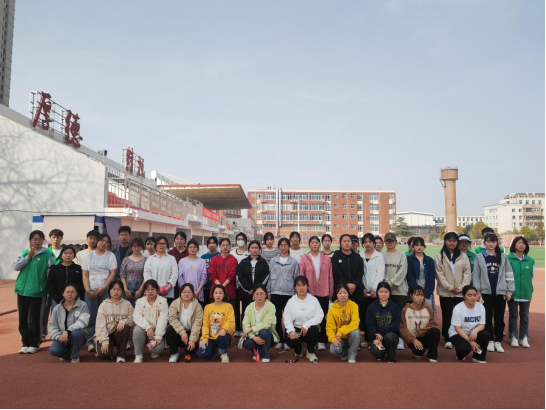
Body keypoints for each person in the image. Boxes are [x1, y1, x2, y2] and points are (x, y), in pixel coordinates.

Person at [14, 231, 55, 354]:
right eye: (34, 239)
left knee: (35, 319)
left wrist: (46, 288)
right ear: (30, 240)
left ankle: (34, 343)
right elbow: (15, 267)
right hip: (22, 291)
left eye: (40, 239)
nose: (37, 241)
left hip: (38, 292)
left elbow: (50, 274)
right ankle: (25, 342)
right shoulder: (24, 253)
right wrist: (27, 257)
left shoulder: (47, 254)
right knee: (23, 319)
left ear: (43, 240)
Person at [474, 233, 515, 354]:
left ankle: (498, 341)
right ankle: (490, 340)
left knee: (499, 318)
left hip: (500, 293)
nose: (491, 244)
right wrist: (478, 291)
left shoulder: (503, 257)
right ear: (484, 243)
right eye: (488, 241)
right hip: (485, 293)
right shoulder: (479, 257)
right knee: (486, 318)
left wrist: (509, 291)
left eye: (493, 242)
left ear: (497, 243)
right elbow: (476, 276)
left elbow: (509, 274)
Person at [435, 232, 471, 350]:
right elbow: (439, 274)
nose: (452, 243)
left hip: (460, 292)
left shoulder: (463, 256)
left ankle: (459, 336)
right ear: (445, 241)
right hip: (445, 291)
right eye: (449, 240)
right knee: (447, 315)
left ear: (457, 242)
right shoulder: (439, 256)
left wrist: (461, 288)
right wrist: (450, 287)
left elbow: (467, 273)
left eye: (454, 241)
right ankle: (448, 338)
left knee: (459, 315)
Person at [81, 234, 118, 352]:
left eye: (107, 242)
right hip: (90, 289)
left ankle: (103, 339)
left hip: (105, 289)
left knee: (106, 315)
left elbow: (112, 273)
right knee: (91, 316)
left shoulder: (110, 256)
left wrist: (104, 287)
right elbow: (85, 274)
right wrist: (87, 290)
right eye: (102, 241)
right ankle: (90, 341)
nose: (104, 243)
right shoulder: (88, 256)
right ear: (97, 241)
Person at [299, 236, 334, 351]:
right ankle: (311, 340)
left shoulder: (326, 258)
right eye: (312, 242)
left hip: (323, 291)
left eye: (316, 242)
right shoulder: (304, 258)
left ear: (320, 244)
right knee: (309, 316)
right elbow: (301, 276)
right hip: (310, 292)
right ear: (309, 244)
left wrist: (330, 291)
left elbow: (330, 276)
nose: (314, 244)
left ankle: (321, 340)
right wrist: (303, 291)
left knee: (322, 316)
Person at [283, 276, 324, 363]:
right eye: (298, 285)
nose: (301, 288)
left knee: (315, 330)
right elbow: (287, 318)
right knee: (289, 340)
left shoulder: (313, 300)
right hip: (296, 330)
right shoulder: (291, 301)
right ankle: (298, 348)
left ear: (307, 286)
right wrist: (291, 331)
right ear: (295, 287)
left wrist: (306, 325)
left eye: (303, 285)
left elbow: (320, 315)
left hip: (309, 329)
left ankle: (310, 352)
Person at [268, 237, 299, 351]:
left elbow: (296, 278)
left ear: (288, 246)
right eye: (281, 245)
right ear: (278, 247)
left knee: (288, 318)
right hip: (275, 292)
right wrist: (269, 292)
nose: (283, 247)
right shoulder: (273, 261)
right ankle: (279, 340)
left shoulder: (293, 262)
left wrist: (295, 293)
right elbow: (269, 277)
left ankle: (287, 340)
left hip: (289, 293)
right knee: (276, 317)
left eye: (285, 245)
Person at [94, 280, 135, 363]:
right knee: (103, 355)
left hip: (118, 334)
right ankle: (109, 351)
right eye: (113, 289)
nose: (116, 292)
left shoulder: (127, 304)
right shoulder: (103, 305)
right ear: (109, 291)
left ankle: (121, 355)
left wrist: (124, 321)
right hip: (106, 334)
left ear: (122, 291)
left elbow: (134, 319)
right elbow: (100, 325)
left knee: (125, 328)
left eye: (119, 289)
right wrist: (104, 340)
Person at [48, 284, 90, 363]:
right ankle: (68, 354)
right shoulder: (57, 308)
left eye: (73, 292)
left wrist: (68, 331)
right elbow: (53, 327)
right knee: (53, 350)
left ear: (76, 293)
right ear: (63, 294)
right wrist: (58, 337)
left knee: (76, 333)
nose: (70, 294)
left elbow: (83, 322)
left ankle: (75, 357)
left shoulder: (83, 305)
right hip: (63, 337)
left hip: (79, 335)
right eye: (67, 292)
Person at [449, 285, 490, 364]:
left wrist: (475, 331)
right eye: (469, 295)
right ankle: (458, 351)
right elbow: (457, 328)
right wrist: (471, 342)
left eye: (474, 295)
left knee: (486, 334)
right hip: (457, 333)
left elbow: (482, 325)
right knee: (465, 349)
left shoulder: (481, 307)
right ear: (463, 296)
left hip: (472, 332)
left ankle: (478, 357)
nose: (473, 298)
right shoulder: (458, 308)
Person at [400, 285, 441, 363]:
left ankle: (432, 356)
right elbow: (403, 328)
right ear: (411, 296)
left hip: (425, 336)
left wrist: (417, 333)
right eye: (417, 295)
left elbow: (434, 324)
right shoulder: (405, 310)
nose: (420, 298)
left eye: (422, 295)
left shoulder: (429, 309)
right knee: (419, 352)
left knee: (435, 331)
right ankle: (417, 351)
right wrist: (413, 339)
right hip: (412, 338)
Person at [507, 236, 535, 349]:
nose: (521, 245)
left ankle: (524, 338)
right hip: (513, 293)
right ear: (514, 245)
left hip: (526, 292)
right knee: (513, 315)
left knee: (524, 316)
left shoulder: (530, 260)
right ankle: (514, 337)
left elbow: (531, 276)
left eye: (523, 243)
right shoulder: (508, 259)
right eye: (519, 242)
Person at [382, 233, 408, 350]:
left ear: (396, 242)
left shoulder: (402, 255)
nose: (390, 243)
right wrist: (388, 283)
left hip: (400, 290)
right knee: (387, 315)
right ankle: (387, 338)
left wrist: (392, 283)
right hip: (385, 291)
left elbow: (402, 271)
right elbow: (381, 270)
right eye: (387, 241)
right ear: (385, 242)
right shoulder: (381, 255)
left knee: (399, 316)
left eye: (391, 241)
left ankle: (400, 338)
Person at [133, 280, 169, 363]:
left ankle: (153, 350)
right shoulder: (139, 302)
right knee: (137, 330)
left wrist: (158, 336)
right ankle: (138, 355)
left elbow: (163, 320)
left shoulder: (163, 302)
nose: (150, 291)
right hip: (144, 329)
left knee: (157, 349)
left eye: (153, 289)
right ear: (144, 291)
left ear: (157, 290)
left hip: (156, 330)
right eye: (147, 289)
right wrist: (147, 327)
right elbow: (137, 317)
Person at [167, 283, 204, 363]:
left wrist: (192, 340)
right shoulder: (175, 303)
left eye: (189, 292)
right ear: (180, 293)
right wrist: (182, 332)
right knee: (170, 330)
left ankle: (186, 350)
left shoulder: (198, 306)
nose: (186, 294)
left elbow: (198, 324)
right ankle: (174, 353)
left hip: (191, 332)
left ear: (193, 293)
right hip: (179, 332)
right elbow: (172, 319)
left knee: (191, 349)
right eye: (184, 292)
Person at [242, 285, 279, 363]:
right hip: (254, 335)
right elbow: (245, 324)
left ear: (266, 295)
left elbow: (267, 324)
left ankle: (265, 355)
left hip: (267, 336)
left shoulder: (271, 306)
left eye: (262, 294)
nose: (259, 296)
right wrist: (253, 337)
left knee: (263, 332)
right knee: (247, 344)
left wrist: (251, 329)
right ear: (253, 295)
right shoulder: (249, 307)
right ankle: (256, 351)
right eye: (257, 294)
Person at [198, 285, 236, 363]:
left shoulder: (228, 306)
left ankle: (223, 353)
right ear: (213, 295)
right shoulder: (207, 307)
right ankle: (216, 353)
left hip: (222, 336)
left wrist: (224, 329)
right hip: (210, 337)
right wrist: (204, 338)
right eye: (216, 293)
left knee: (223, 338)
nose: (218, 295)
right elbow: (205, 324)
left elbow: (230, 321)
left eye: (220, 293)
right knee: (201, 354)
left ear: (224, 295)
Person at [360, 233, 385, 347]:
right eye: (365, 242)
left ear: (374, 243)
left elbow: (380, 273)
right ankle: (364, 338)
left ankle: (373, 339)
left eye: (370, 242)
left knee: (374, 316)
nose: (368, 244)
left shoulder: (379, 256)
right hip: (363, 292)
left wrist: (375, 289)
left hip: (375, 292)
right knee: (363, 315)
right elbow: (359, 274)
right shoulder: (359, 255)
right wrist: (362, 288)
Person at [366, 282, 402, 363]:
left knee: (390, 337)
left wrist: (381, 332)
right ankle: (381, 354)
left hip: (390, 336)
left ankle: (391, 354)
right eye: (381, 292)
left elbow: (396, 325)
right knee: (378, 353)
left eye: (386, 292)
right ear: (377, 292)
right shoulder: (371, 307)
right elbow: (370, 324)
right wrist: (375, 338)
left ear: (389, 293)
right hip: (376, 337)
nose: (383, 294)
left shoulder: (395, 307)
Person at [238, 240, 270, 325]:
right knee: (246, 312)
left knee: (259, 313)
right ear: (249, 249)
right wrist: (248, 289)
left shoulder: (263, 262)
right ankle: (245, 329)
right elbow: (240, 276)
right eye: (252, 248)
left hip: (259, 293)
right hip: (246, 293)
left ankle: (259, 329)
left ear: (259, 249)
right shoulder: (243, 262)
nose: (254, 250)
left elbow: (266, 275)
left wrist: (257, 289)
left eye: (256, 248)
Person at [327, 285, 361, 363]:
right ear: (336, 295)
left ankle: (352, 356)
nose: (342, 295)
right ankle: (345, 353)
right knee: (333, 349)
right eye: (340, 293)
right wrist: (333, 339)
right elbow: (329, 328)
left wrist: (340, 331)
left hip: (352, 337)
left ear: (348, 294)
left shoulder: (354, 305)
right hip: (339, 338)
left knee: (356, 332)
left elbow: (355, 323)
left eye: (345, 293)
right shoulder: (332, 309)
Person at [41, 229, 64, 341]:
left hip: (59, 288)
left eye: (58, 237)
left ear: (61, 238)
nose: (56, 239)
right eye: (53, 237)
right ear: (50, 238)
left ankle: (56, 333)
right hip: (45, 287)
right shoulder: (45, 252)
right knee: (44, 311)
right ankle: (42, 333)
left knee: (57, 311)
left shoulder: (65, 252)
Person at [47, 245, 85, 310]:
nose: (68, 255)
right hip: (57, 298)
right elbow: (50, 284)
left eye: (70, 253)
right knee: (57, 314)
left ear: (74, 255)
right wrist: (57, 297)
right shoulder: (55, 268)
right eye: (65, 253)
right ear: (61, 256)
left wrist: (76, 295)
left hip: (74, 298)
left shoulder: (78, 268)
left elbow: (80, 283)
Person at [143, 236, 178, 305]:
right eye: (159, 243)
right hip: (152, 292)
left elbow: (175, 274)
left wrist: (168, 288)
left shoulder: (171, 259)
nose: (161, 245)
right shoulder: (150, 259)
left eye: (164, 243)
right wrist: (153, 288)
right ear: (155, 245)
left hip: (167, 293)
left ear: (167, 245)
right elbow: (146, 274)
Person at [407, 237, 437, 314]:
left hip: (427, 289)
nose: (419, 247)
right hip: (414, 288)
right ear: (413, 246)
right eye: (417, 245)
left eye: (421, 245)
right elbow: (409, 276)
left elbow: (431, 277)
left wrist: (425, 295)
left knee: (427, 313)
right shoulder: (409, 259)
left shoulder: (429, 260)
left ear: (424, 246)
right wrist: (415, 292)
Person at [178, 239, 208, 307]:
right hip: (185, 294)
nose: (192, 249)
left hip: (198, 293)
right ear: (187, 248)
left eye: (194, 247)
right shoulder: (182, 261)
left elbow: (204, 278)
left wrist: (198, 291)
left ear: (197, 249)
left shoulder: (202, 261)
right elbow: (180, 278)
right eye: (190, 247)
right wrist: (186, 291)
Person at [120, 238, 147, 308]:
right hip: (128, 286)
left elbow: (146, 276)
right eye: (134, 246)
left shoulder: (146, 260)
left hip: (140, 286)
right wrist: (125, 289)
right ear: (131, 247)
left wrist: (140, 290)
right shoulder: (126, 260)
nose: (136, 248)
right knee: (127, 308)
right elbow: (122, 275)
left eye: (138, 246)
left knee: (139, 308)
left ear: (141, 247)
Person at [201, 236, 221, 306]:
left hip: (217, 286)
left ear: (217, 244)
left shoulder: (220, 256)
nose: (211, 245)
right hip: (205, 287)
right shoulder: (203, 257)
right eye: (209, 243)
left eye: (213, 243)